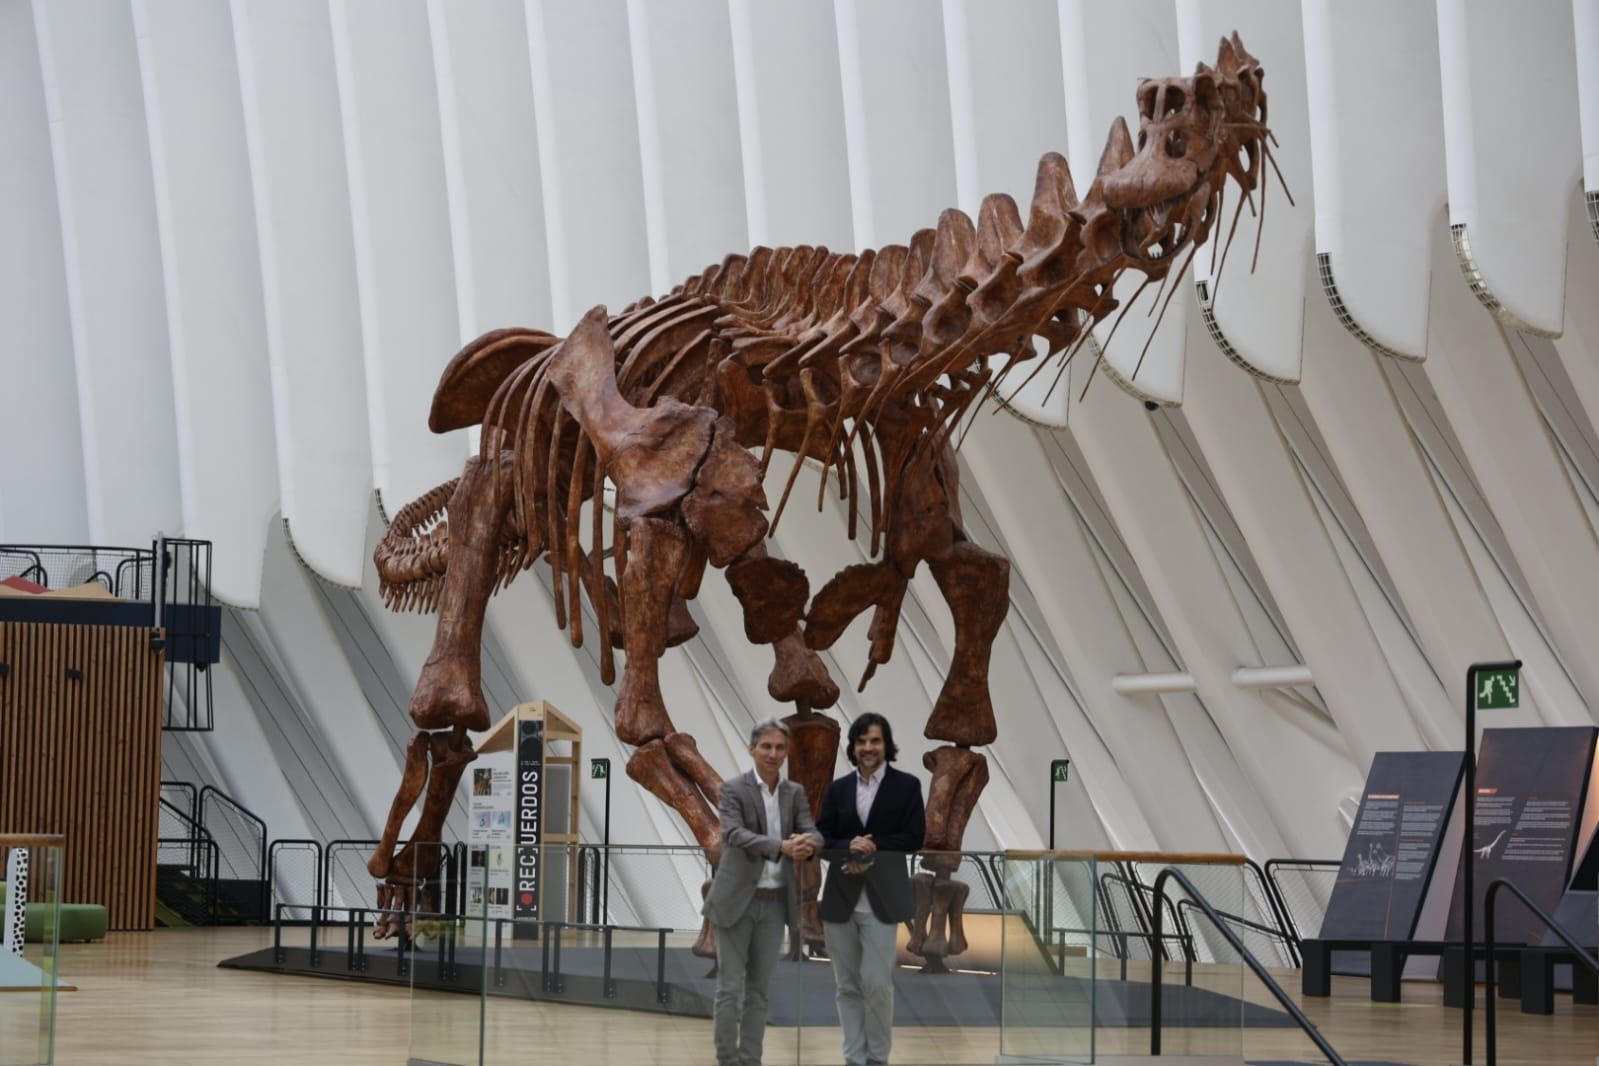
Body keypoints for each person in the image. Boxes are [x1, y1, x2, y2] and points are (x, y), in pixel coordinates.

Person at [703, 719, 821, 1066]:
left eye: (779, 747)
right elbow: (734, 835)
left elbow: (814, 833)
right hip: (736, 902)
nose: (773, 753)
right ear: (751, 749)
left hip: (774, 906)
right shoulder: (733, 790)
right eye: (766, 747)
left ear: (786, 752)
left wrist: (806, 844)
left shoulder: (794, 793)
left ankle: (751, 1059)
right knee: (730, 988)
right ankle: (727, 1059)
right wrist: (781, 846)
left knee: (760, 991)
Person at [816, 712, 925, 1066]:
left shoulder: (907, 786)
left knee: (877, 985)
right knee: (846, 987)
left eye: (875, 741)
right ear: (854, 746)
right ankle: (854, 1058)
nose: (868, 748)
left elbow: (913, 838)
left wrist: (873, 846)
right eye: (862, 741)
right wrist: (851, 845)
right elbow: (823, 838)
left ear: (886, 745)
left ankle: (877, 1059)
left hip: (882, 901)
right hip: (840, 901)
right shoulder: (838, 789)